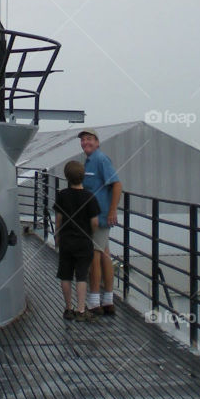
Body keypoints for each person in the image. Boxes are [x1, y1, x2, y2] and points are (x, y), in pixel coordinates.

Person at [78, 128, 122, 316]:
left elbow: (117, 184)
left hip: (100, 216)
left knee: (93, 255)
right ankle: (108, 300)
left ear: (97, 142)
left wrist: (112, 211)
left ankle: (94, 300)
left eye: (89, 139)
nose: (85, 142)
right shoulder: (89, 161)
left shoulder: (100, 160)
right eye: (83, 140)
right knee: (104, 254)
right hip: (94, 214)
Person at [53, 160, 99, 322]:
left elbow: (58, 219)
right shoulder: (90, 197)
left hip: (66, 241)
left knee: (65, 275)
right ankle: (81, 309)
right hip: (83, 242)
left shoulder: (62, 196)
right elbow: (94, 222)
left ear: (67, 177)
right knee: (81, 276)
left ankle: (68, 308)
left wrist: (57, 236)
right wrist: (90, 234)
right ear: (83, 177)